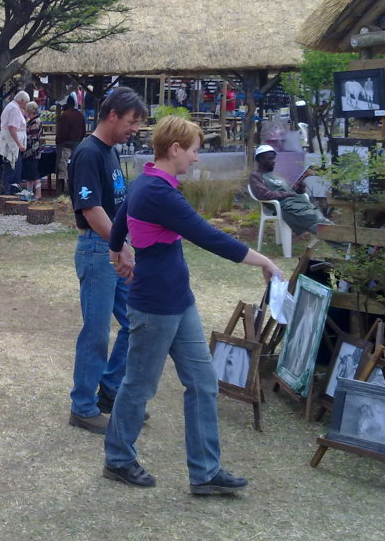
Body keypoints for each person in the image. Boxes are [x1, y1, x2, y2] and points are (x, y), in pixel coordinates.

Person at [103, 116, 283, 493]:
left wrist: (119, 251)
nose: (197, 159)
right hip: (155, 306)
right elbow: (207, 236)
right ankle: (118, 458)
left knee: (202, 382)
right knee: (139, 384)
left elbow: (120, 220)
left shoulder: (150, 181)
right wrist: (263, 260)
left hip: (178, 302)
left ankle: (205, 472)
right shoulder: (157, 192)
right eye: (195, 151)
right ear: (175, 149)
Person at [67, 87, 146, 435]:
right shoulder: (89, 153)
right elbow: (90, 208)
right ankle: (83, 407)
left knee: (136, 322)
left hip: (114, 249)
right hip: (99, 252)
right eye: (131, 122)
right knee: (96, 332)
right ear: (112, 114)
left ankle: (110, 392)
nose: (134, 130)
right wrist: (120, 246)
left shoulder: (110, 152)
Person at [248, 145, 330, 235]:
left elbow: (289, 191)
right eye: (270, 159)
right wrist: (287, 194)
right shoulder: (256, 176)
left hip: (296, 202)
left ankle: (338, 236)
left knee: (316, 215)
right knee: (312, 218)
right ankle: (337, 238)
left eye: (274, 159)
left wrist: (299, 189)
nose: (273, 162)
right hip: (283, 206)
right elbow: (263, 195)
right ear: (260, 159)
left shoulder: (275, 176)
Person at [0, 91, 29, 194]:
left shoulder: (12, 107)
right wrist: (20, 144)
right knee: (12, 170)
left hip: (11, 143)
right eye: (25, 102)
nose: (25, 105)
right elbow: (12, 128)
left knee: (12, 169)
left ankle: (9, 192)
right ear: (22, 100)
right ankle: (9, 194)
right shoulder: (14, 109)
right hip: (12, 145)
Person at [55, 95, 85, 195]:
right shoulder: (80, 115)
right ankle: (73, 187)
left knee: (63, 167)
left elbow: (62, 132)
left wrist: (58, 141)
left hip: (66, 145)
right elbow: (83, 131)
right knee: (74, 166)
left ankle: (65, 189)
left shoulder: (65, 115)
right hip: (77, 144)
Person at [21, 101, 43, 199]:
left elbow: (30, 135)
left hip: (33, 151)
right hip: (28, 152)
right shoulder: (31, 121)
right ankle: (29, 192)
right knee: (28, 173)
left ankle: (38, 194)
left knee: (34, 173)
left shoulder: (36, 121)